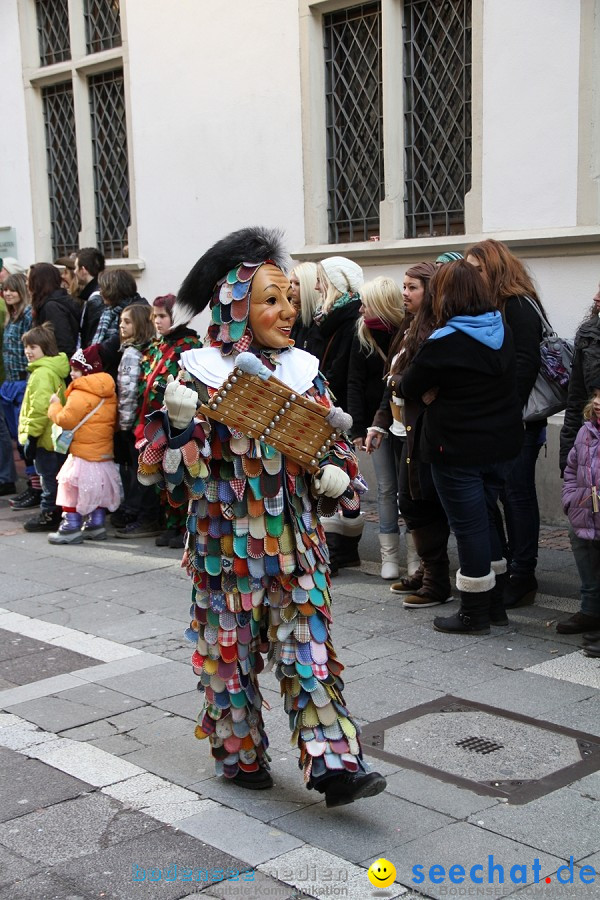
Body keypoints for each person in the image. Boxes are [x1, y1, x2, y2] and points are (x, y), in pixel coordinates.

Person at [137, 226, 386, 807]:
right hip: (222, 546)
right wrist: (174, 429)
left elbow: (335, 450)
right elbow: (161, 476)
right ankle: (239, 753)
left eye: (291, 298)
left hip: (296, 543)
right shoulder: (194, 371)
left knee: (310, 651)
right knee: (230, 658)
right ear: (237, 303)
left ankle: (334, 767)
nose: (287, 311)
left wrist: (338, 475)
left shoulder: (305, 369)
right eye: (271, 299)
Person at [399, 259, 523, 635]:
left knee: (468, 527)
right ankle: (495, 603)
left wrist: (428, 390)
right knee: (487, 521)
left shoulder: (445, 341)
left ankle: (474, 612)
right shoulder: (501, 328)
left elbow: (406, 386)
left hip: (456, 450)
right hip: (500, 446)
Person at [370, 263, 454, 609]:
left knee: (423, 502)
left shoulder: (437, 331)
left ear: (430, 291)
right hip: (400, 428)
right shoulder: (407, 327)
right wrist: (377, 422)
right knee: (410, 501)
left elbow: (417, 382)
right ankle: (429, 571)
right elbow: (391, 383)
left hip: (425, 431)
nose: (404, 293)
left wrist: (405, 386)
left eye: (412, 288)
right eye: (403, 287)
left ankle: (437, 580)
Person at [466, 239, 545, 609]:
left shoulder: (518, 305)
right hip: (498, 420)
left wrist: (505, 415)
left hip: (519, 421)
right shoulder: (489, 306)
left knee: (517, 495)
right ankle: (511, 568)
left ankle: (523, 574)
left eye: (477, 269)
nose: (472, 276)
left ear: (495, 268)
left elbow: (525, 365)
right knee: (503, 494)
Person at [115, 293, 200, 544]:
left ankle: (186, 528)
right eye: (154, 316)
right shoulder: (155, 346)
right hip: (152, 425)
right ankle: (170, 524)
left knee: (180, 474)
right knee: (162, 478)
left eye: (162, 316)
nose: (157, 321)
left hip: (177, 424)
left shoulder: (190, 347)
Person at [347, 276, 405, 579]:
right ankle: (389, 558)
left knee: (409, 489)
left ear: (381, 305)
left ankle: (419, 557)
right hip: (374, 424)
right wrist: (357, 427)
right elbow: (354, 381)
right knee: (386, 488)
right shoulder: (363, 333)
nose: (360, 309)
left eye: (366, 303)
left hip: (403, 421)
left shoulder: (408, 332)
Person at [313, 257, 365, 572]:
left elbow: (342, 370)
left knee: (339, 476)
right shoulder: (331, 318)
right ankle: (340, 547)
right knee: (332, 477)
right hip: (329, 407)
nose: (318, 286)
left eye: (323, 280)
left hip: (337, 410)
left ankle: (341, 548)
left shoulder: (347, 319)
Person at [47, 345, 121, 544]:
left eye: (76, 369)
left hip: (82, 454)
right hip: (103, 453)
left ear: (87, 370)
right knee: (98, 490)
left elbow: (65, 419)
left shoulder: (81, 392)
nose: (72, 374)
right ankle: (96, 524)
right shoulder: (109, 391)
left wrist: (54, 405)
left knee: (70, 489)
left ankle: (70, 526)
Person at [18, 324, 69, 532]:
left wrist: (31, 436)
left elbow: (39, 408)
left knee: (47, 477)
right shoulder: (52, 369)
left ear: (45, 348)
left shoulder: (41, 373)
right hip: (54, 436)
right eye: (26, 347)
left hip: (44, 437)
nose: (28, 351)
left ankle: (49, 512)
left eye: (33, 347)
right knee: (53, 475)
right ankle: (57, 511)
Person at [559, 385, 600, 638]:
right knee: (586, 556)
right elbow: (572, 469)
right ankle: (590, 610)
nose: (598, 402)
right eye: (596, 395)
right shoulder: (586, 432)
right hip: (586, 510)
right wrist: (571, 500)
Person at [113, 304, 156, 530]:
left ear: (140, 324)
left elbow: (127, 391)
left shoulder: (131, 353)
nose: (121, 325)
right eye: (121, 320)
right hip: (140, 419)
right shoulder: (144, 349)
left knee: (133, 469)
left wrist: (125, 424)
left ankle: (134, 511)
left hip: (132, 422)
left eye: (127, 321)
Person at [0, 274, 37, 505]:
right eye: (5, 290)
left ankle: (35, 487)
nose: (8, 293)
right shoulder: (10, 317)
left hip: (23, 381)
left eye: (13, 289)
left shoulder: (26, 315)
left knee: (26, 438)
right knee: (16, 435)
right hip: (9, 383)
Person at [560, 283, 600, 474]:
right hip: (588, 450)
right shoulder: (588, 334)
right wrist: (567, 458)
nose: (595, 297)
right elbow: (575, 399)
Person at [91, 269, 148, 380]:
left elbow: (118, 342)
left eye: (104, 288)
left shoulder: (137, 310)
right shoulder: (111, 310)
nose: (100, 292)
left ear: (114, 290)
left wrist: (95, 352)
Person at [28, 263, 80, 358]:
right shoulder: (48, 304)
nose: (27, 283)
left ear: (38, 282)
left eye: (29, 280)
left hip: (56, 367)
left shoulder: (52, 307)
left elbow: (64, 344)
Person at [75, 247, 105, 349]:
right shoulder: (99, 291)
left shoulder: (95, 299)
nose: (74, 271)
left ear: (83, 270)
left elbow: (92, 337)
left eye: (76, 267)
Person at [289, 262, 321, 353]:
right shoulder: (292, 315)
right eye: (290, 282)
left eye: (297, 283)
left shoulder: (319, 320)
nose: (291, 287)